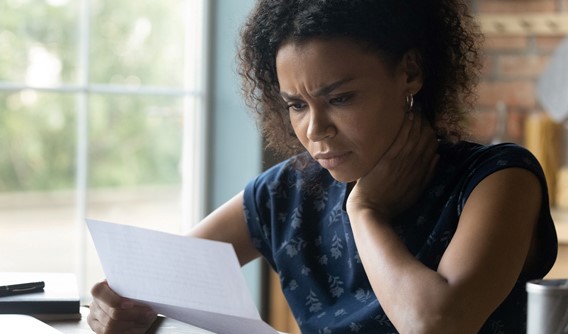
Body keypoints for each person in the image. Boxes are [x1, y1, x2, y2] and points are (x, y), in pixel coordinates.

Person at [87, 0, 558, 333]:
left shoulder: (498, 180)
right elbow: (147, 286)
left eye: (340, 98)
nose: (315, 129)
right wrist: (114, 311)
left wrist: (365, 211)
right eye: (296, 104)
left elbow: (436, 325)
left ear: (411, 72)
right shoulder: (286, 192)